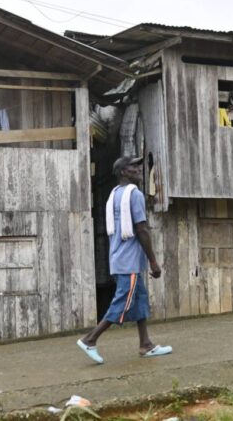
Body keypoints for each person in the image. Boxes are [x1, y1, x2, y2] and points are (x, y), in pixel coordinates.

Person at [76, 156, 172, 364]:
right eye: (132, 166)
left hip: (119, 258)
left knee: (139, 300)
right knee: (123, 302)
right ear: (122, 172)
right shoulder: (134, 195)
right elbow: (141, 229)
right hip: (128, 262)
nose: (138, 169)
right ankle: (90, 339)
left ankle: (146, 344)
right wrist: (153, 262)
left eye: (138, 165)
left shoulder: (115, 195)